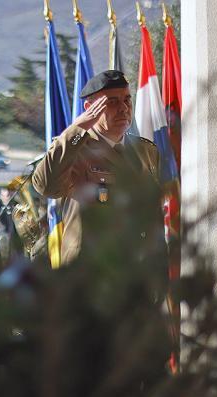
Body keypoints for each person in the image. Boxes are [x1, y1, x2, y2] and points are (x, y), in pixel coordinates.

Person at [32, 70, 160, 265]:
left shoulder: (145, 151)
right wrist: (77, 129)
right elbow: (45, 186)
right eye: (112, 102)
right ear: (89, 108)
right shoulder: (74, 150)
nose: (124, 108)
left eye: (127, 100)